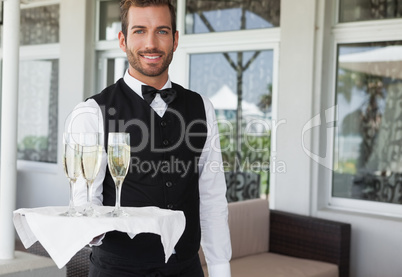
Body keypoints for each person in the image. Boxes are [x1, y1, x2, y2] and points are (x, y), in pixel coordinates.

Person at [67, 0, 231, 276]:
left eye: (162, 31)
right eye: (140, 31)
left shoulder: (202, 107)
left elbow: (212, 197)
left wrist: (220, 268)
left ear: (175, 40)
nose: (151, 43)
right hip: (117, 269)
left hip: (186, 268)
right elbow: (85, 202)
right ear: (122, 40)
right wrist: (89, 228)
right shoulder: (91, 113)